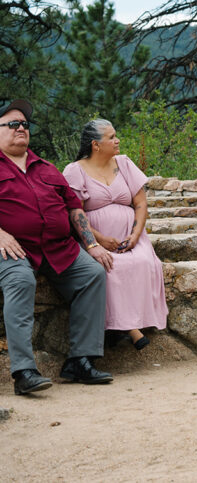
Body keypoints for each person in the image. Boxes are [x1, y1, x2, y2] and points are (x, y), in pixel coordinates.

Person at [0, 99, 114, 395]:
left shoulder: (46, 168)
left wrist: (91, 246)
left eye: (25, 124)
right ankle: (24, 371)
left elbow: (74, 208)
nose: (21, 128)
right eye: (12, 124)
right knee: (21, 280)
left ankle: (79, 361)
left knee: (93, 274)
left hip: (59, 247)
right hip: (13, 249)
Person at [63, 119, 168, 351]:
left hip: (129, 237)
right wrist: (99, 239)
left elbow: (140, 203)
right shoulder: (75, 170)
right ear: (95, 145)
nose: (117, 140)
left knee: (145, 263)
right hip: (95, 239)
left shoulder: (124, 163)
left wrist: (135, 234)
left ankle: (130, 324)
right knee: (110, 267)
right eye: (111, 137)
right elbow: (75, 212)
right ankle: (129, 328)